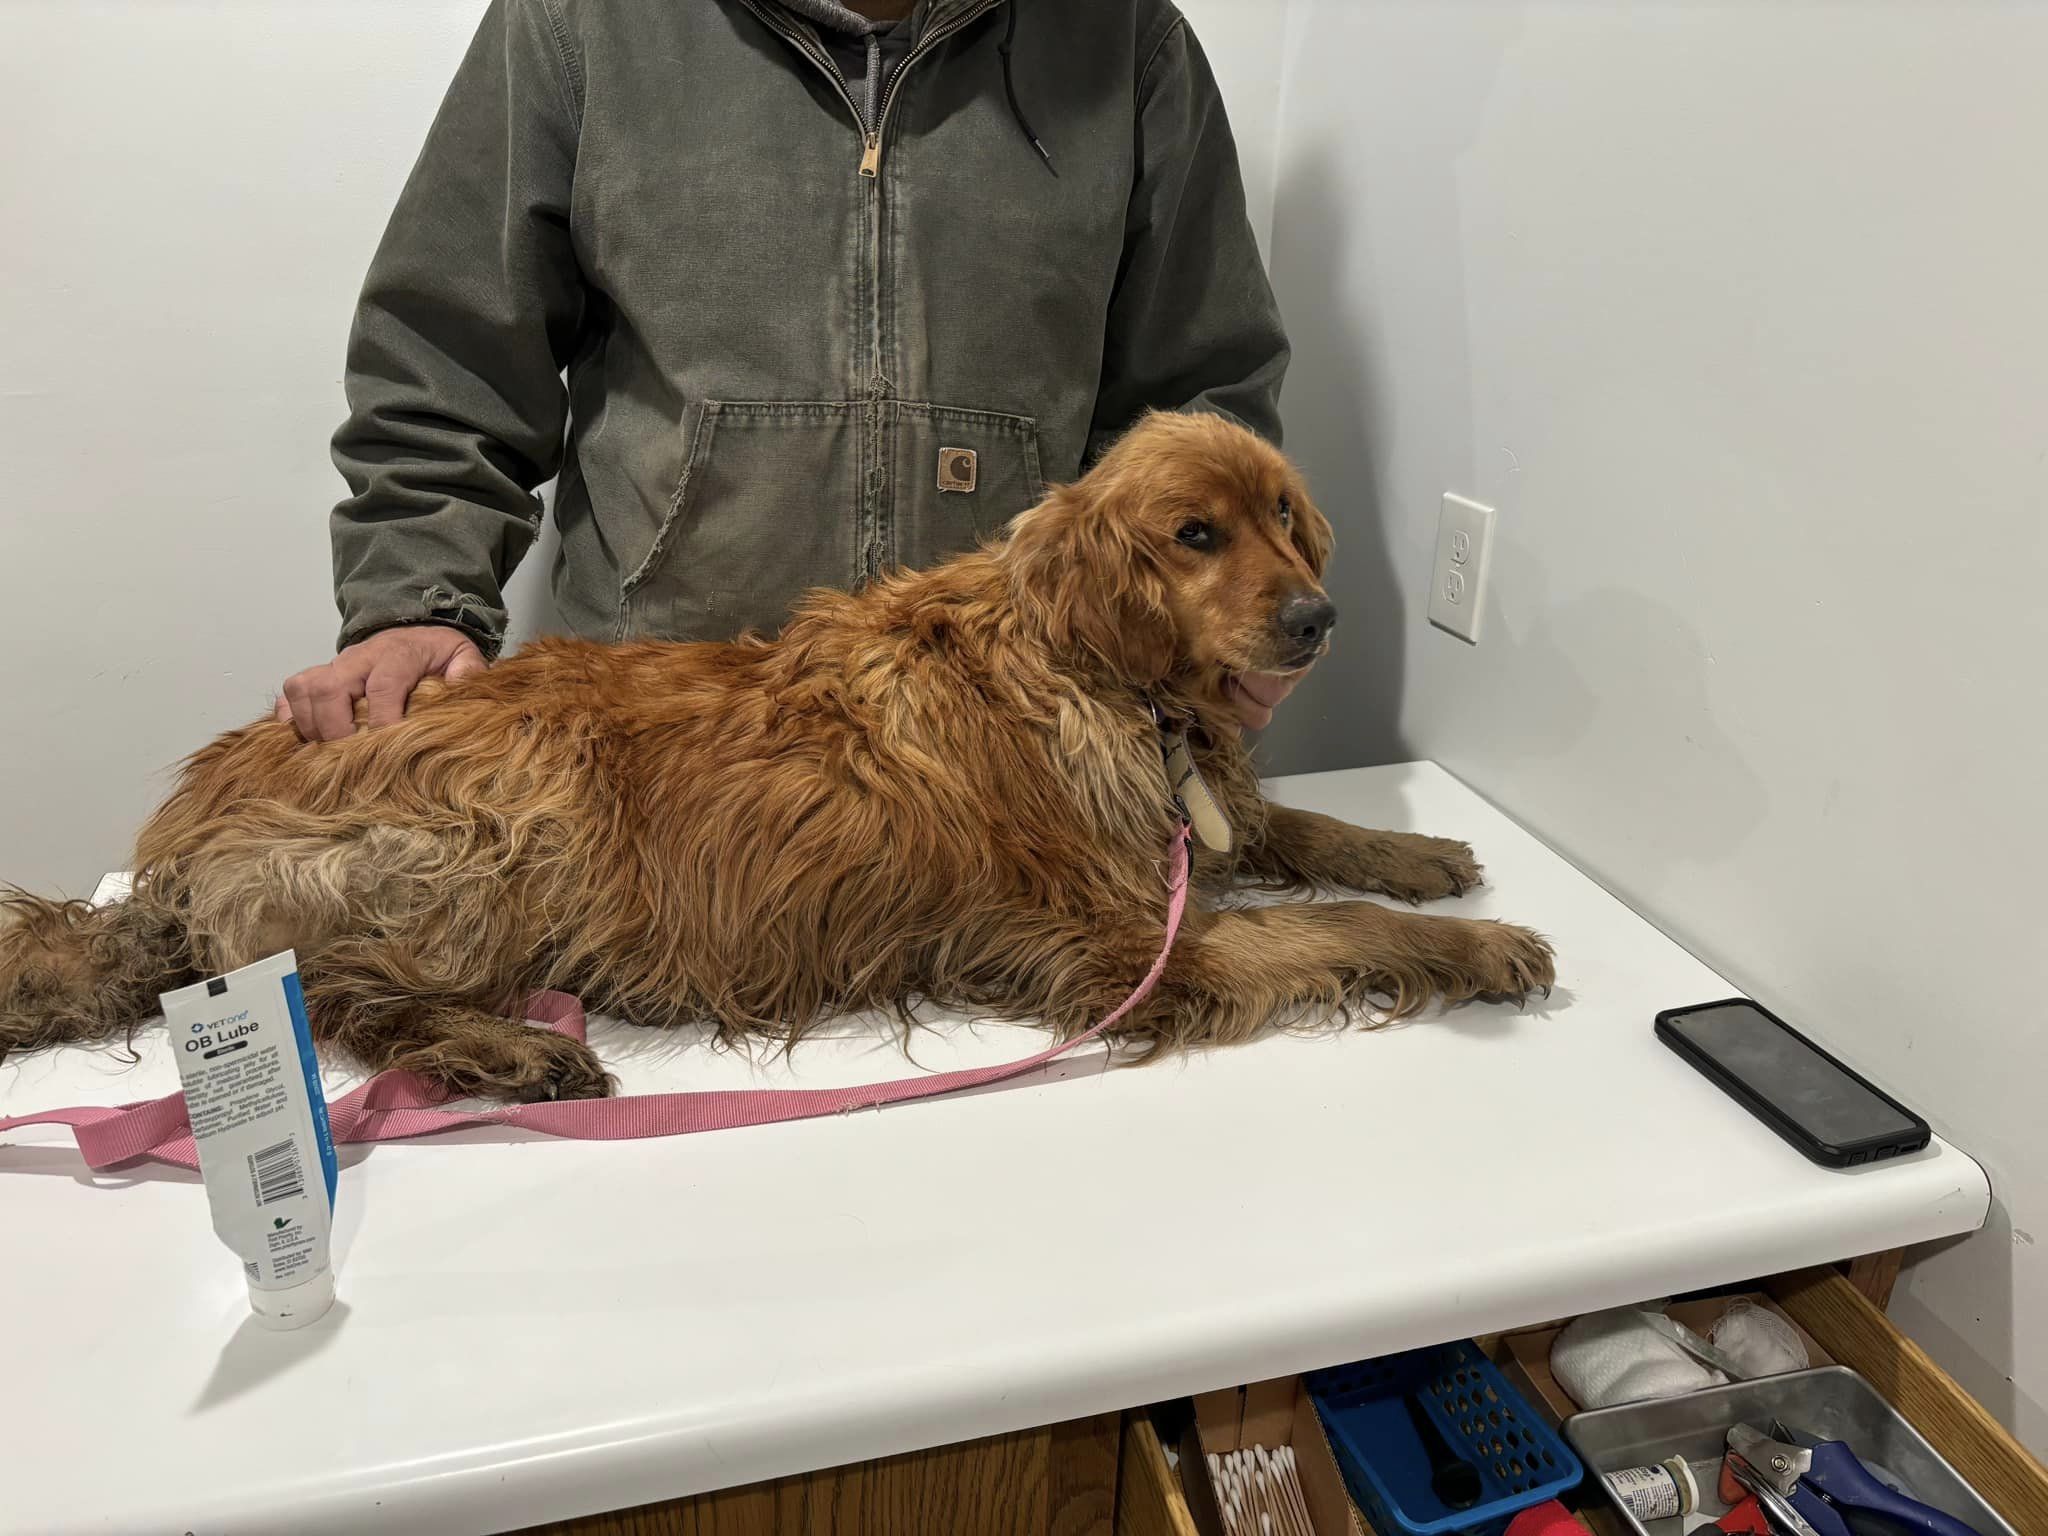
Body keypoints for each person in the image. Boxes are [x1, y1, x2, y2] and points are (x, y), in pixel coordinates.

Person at [277, 0, 1300, 742]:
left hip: (1012, 738)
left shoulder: (1124, 43)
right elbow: (448, 355)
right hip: (662, 740)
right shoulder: (579, 25)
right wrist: (416, 603)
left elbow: (1196, 395)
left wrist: (1223, 610)